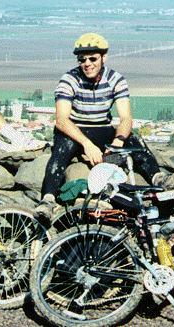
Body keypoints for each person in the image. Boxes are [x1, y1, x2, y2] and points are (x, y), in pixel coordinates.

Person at [35, 33, 163, 219]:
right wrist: (87, 145)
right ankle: (47, 200)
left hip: (103, 129)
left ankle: (159, 178)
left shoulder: (116, 79)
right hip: (75, 131)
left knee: (134, 139)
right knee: (63, 147)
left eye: (93, 58)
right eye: (82, 59)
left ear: (104, 57)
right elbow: (62, 120)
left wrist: (118, 141)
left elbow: (126, 118)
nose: (87, 63)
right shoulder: (69, 80)